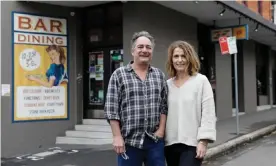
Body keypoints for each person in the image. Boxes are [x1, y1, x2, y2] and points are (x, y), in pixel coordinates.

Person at [104, 31, 168, 166]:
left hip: (154, 141)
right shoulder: (119, 75)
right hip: (129, 142)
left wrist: (161, 131)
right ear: (133, 51)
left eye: (148, 47)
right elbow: (111, 109)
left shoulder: (159, 75)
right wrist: (117, 136)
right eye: (140, 47)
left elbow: (163, 106)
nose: (144, 50)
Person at [164, 40, 217, 166]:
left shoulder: (201, 81)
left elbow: (208, 113)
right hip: (170, 144)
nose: (180, 60)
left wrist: (203, 141)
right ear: (171, 60)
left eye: (183, 56)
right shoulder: (167, 85)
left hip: (193, 144)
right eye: (176, 56)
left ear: (190, 58)